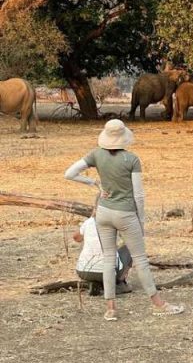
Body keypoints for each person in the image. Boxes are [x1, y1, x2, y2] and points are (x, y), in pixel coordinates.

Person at [65, 119, 184, 321]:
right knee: (140, 259)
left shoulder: (96, 154)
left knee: (108, 259)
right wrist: (141, 219)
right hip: (126, 213)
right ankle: (158, 303)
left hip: (103, 212)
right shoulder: (132, 160)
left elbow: (69, 173)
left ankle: (110, 308)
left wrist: (93, 182)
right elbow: (138, 195)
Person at [73, 211, 133, 297]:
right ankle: (118, 283)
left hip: (83, 271)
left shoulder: (89, 222)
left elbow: (76, 238)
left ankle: (95, 283)